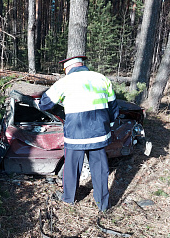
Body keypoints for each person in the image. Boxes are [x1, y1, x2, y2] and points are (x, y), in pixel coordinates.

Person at [36, 56, 119, 212]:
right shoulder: (101, 78)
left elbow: (45, 103)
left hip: (76, 134)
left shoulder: (65, 82)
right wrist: (108, 125)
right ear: (82, 65)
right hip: (99, 133)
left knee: (72, 167)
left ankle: (69, 199)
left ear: (67, 68)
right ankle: (103, 205)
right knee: (100, 169)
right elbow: (113, 109)